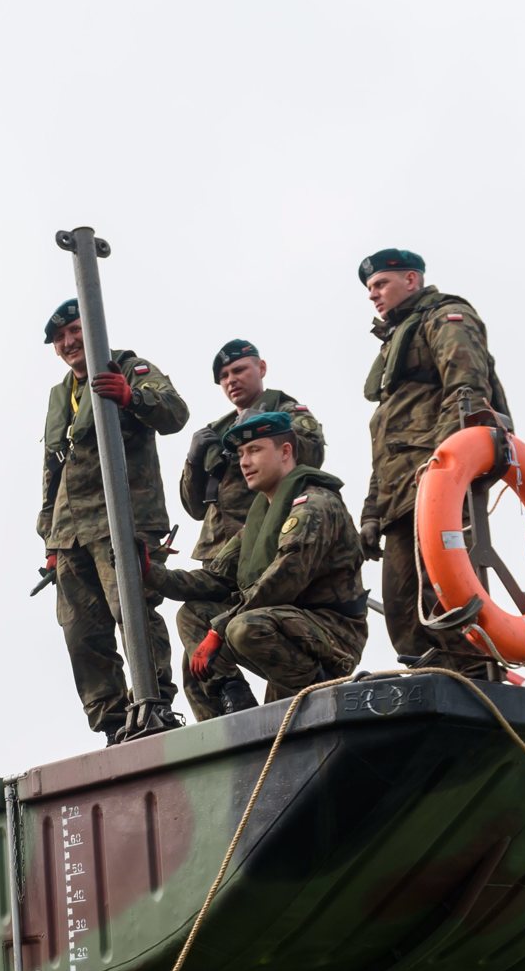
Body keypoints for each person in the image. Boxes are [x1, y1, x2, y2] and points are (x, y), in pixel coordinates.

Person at [355, 249, 511, 680]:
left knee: (446, 599)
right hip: (400, 495)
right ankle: (432, 684)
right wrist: (372, 512)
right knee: (403, 608)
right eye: (369, 289)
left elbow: (466, 390)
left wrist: (442, 470)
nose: (373, 295)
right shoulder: (395, 341)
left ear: (411, 279)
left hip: (436, 482)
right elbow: (386, 442)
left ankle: (473, 683)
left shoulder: (445, 317)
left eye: (381, 284)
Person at [36, 298, 187, 742]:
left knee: (134, 611)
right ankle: (113, 722)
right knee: (82, 633)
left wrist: (131, 396)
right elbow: (52, 466)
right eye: (60, 339)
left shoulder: (129, 367)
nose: (69, 343)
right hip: (70, 531)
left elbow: (175, 413)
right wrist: (49, 535)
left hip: (122, 517)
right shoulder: (61, 395)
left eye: (75, 331)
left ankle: (153, 707)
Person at [152, 411, 367, 700]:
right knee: (193, 616)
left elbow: (284, 579)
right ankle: (235, 707)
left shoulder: (315, 504)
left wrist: (219, 631)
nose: (244, 462)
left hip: (332, 634)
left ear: (285, 452)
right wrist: (149, 571)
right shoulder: (260, 519)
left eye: (255, 450)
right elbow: (217, 578)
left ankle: (322, 690)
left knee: (243, 628)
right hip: (285, 624)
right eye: (240, 453)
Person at [175, 340, 327, 719]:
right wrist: (195, 458)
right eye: (224, 376)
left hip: (270, 550)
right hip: (220, 556)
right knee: (197, 661)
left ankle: (287, 726)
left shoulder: (287, 411)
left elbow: (312, 455)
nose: (232, 380)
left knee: (263, 636)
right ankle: (228, 728)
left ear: (261, 367)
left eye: (239, 370)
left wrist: (265, 433)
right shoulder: (218, 431)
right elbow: (194, 506)